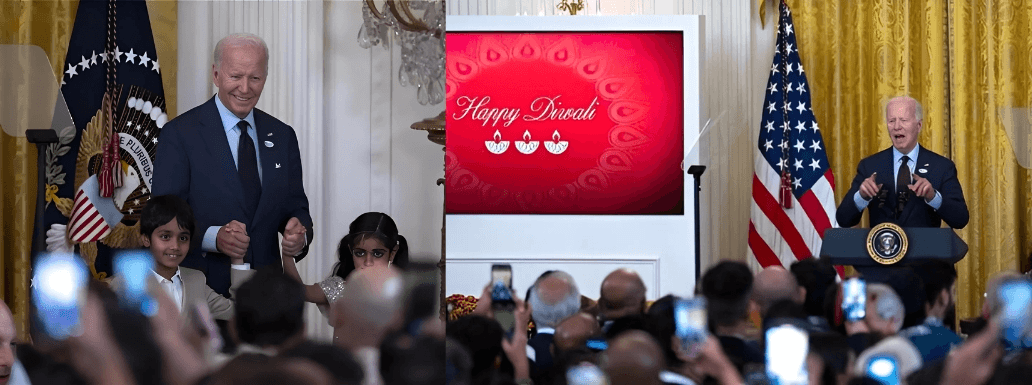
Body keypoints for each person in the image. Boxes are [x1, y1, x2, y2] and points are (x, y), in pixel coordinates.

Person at [153, 32, 313, 296]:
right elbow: (161, 217)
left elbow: (296, 207)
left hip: (268, 296)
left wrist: (299, 235)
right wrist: (213, 237)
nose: (245, 88)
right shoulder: (180, 134)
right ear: (216, 75)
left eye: (255, 78)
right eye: (236, 76)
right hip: (202, 293)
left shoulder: (283, 135)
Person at [836, 96, 968, 229]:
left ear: (919, 125)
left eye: (903, 120)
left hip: (926, 249)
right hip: (881, 248)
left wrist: (933, 197)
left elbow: (960, 219)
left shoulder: (941, 166)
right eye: (891, 121)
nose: (896, 127)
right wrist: (861, 196)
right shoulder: (870, 166)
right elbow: (843, 219)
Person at [138, 195, 254, 320]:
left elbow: (239, 312)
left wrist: (237, 258)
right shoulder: (126, 286)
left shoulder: (196, 280)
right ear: (146, 239)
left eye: (183, 238)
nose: (175, 246)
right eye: (165, 237)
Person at [281, 212, 409, 310]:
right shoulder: (341, 289)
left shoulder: (405, 295)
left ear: (392, 253)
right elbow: (300, 292)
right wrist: (287, 253)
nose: (368, 262)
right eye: (360, 253)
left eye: (377, 254)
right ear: (351, 250)